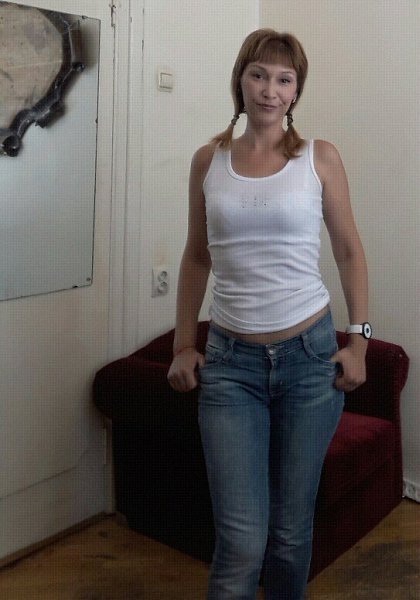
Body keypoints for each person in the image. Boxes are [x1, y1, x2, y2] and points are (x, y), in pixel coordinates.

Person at [167, 28, 370, 600]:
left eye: (284, 79)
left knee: (289, 532)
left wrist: (359, 342)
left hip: (309, 361)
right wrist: (184, 344)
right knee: (241, 542)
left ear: (296, 90)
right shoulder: (208, 160)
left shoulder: (319, 158)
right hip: (230, 367)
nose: (269, 90)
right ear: (240, 79)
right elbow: (197, 256)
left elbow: (349, 251)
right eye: (258, 75)